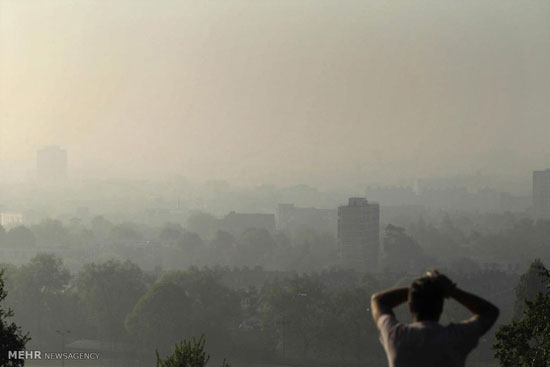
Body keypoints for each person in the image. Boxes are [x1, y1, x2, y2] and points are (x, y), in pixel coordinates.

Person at [370, 270, 499, 367]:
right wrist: (449, 289)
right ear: (441, 307)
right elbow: (490, 312)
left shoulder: (396, 336)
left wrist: (418, 289)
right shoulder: (456, 337)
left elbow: (379, 300)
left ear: (410, 307)